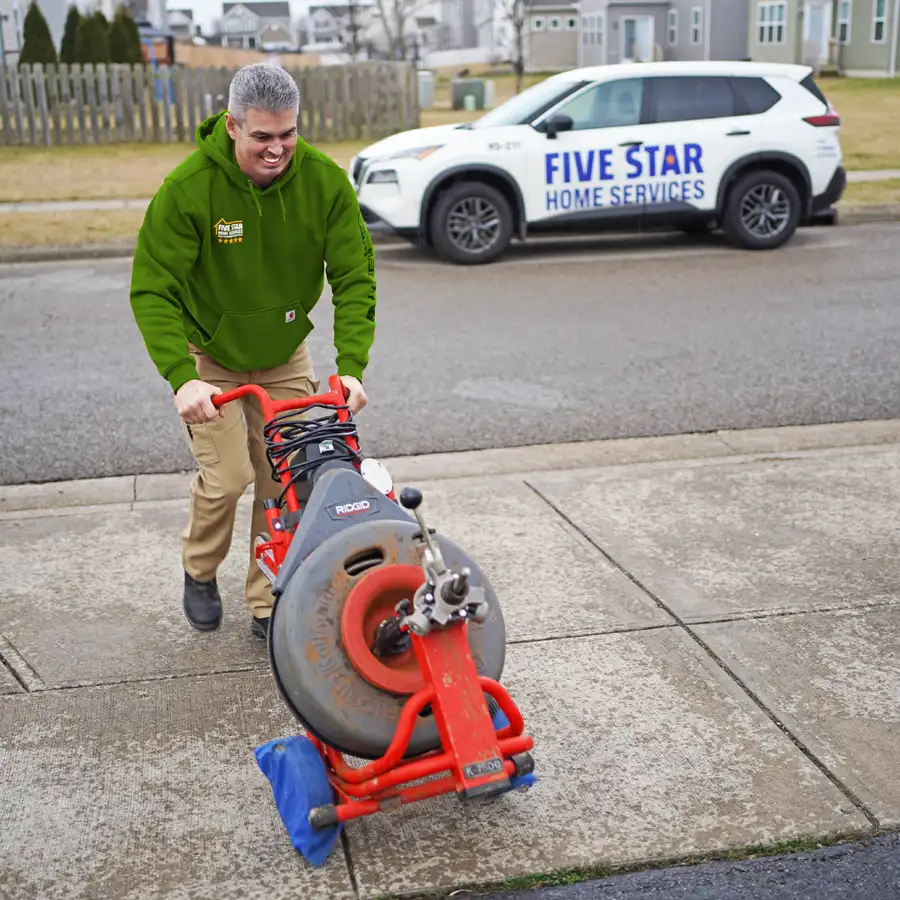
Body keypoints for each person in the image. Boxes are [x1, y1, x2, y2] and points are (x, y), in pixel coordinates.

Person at [129, 62, 376, 641]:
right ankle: (199, 569)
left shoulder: (323, 182)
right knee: (229, 477)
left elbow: (356, 275)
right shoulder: (190, 189)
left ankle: (267, 598)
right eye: (262, 136)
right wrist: (180, 376)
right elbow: (153, 287)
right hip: (209, 359)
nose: (277, 148)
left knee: (284, 479)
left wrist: (352, 366)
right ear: (233, 126)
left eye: (287, 133)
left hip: (285, 355)